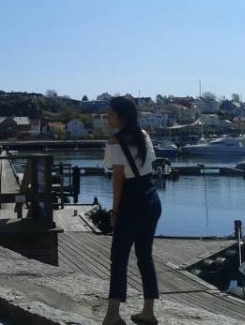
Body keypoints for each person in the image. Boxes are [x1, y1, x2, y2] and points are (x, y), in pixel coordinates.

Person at [102, 97, 162, 325]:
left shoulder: (115, 142)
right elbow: (149, 165)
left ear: (122, 117)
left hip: (131, 201)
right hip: (151, 198)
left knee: (118, 257)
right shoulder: (144, 135)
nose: (107, 118)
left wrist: (115, 212)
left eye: (110, 114)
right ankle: (148, 311)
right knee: (144, 255)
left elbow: (117, 180)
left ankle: (113, 314)